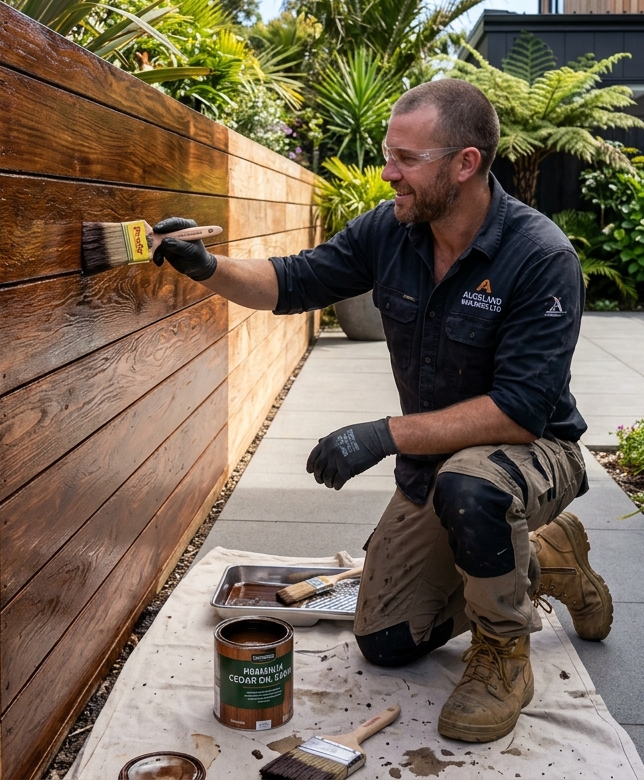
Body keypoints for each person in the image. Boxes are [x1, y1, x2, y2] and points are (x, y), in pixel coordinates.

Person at [150, 78, 613, 744]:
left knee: (473, 488)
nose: (388, 173)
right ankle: (549, 560)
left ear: (465, 164)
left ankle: (503, 652)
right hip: (441, 463)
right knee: (388, 639)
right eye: (388, 154)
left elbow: (520, 410)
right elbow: (294, 278)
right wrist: (206, 266)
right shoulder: (394, 229)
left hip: (533, 452)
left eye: (406, 158)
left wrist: (384, 435)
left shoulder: (540, 257)